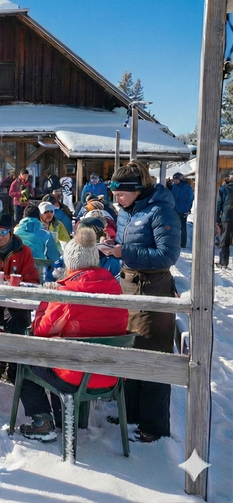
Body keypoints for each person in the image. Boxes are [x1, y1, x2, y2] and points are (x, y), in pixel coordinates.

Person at [15, 227, 128, 442]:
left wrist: (46, 300)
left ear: (70, 263)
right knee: (62, 357)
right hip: (111, 373)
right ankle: (63, 419)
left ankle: (42, 421)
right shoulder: (115, 287)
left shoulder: (68, 293)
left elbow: (42, 331)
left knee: (27, 359)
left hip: (78, 374)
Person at [101, 160, 180, 442]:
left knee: (153, 356)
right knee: (131, 348)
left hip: (153, 289)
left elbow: (168, 256)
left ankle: (154, 425)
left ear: (137, 189)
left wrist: (125, 252)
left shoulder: (161, 212)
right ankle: (132, 411)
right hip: (129, 286)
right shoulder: (126, 212)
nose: (116, 199)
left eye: (121, 193)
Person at [14, 205, 60, 281]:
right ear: (39, 217)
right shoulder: (46, 234)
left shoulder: (15, 231)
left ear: (24, 216)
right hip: (39, 273)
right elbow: (54, 258)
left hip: (17, 270)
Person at [168, 173, 193, 248]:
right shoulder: (175, 186)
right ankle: (173, 242)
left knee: (182, 227)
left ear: (181, 179)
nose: (175, 181)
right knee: (173, 226)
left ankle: (183, 243)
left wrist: (187, 210)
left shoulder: (187, 187)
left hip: (182, 210)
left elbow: (189, 199)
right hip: (174, 209)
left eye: (177, 179)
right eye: (174, 179)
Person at [216, 173, 233, 267]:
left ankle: (223, 262)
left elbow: (219, 205)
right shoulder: (224, 188)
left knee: (224, 241)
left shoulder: (224, 188)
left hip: (226, 217)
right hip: (226, 217)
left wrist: (217, 219)